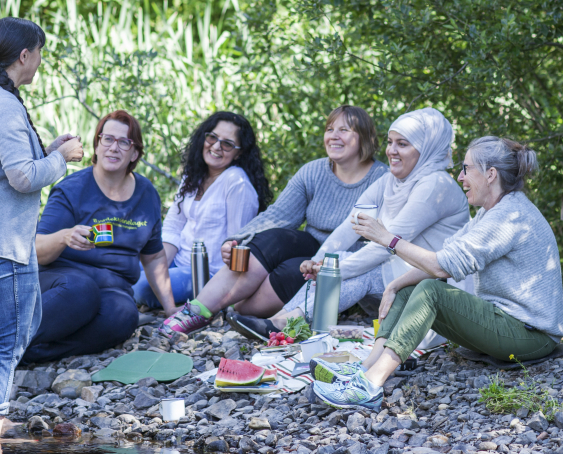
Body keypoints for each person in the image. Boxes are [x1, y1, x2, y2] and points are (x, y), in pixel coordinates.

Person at [311, 136, 563, 410]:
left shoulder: (509, 216)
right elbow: (444, 255)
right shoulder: (490, 213)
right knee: (411, 289)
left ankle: (371, 385)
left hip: (531, 336)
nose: (460, 176)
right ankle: (365, 368)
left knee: (432, 291)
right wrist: (395, 285)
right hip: (505, 325)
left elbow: (441, 268)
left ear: (490, 174)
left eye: (467, 169)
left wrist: (388, 239)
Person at [227, 108, 471, 341]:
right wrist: (320, 262)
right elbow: (349, 226)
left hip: (436, 286)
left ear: (426, 150)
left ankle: (286, 323)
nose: (391, 151)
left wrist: (333, 270)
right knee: (338, 259)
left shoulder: (436, 185)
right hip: (400, 277)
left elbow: (386, 245)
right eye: (390, 142)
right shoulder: (391, 182)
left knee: (360, 268)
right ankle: (281, 320)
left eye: (403, 144)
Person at [0, 17, 84, 442]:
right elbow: (22, 178)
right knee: (6, 341)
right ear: (24, 55)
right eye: (39, 53)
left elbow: (9, 164)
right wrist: (62, 160)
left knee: (28, 322)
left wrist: (47, 150)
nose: (41, 61)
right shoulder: (5, 105)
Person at [160, 105, 388, 336]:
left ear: (365, 138)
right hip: (312, 247)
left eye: (344, 130)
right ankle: (195, 311)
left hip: (345, 263)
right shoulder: (313, 171)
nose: (334, 136)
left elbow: (384, 241)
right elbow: (278, 215)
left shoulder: (382, 179)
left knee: (289, 272)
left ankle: (240, 311)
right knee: (273, 238)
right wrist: (236, 239)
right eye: (330, 129)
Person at [21, 110, 175, 363]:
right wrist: (64, 237)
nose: (114, 148)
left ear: (134, 153)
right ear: (97, 144)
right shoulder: (72, 189)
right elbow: (35, 249)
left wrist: (170, 309)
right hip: (62, 283)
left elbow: (154, 256)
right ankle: (2, 343)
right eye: (108, 139)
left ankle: (33, 353)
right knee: (82, 290)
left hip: (113, 291)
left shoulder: (147, 194)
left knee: (125, 315)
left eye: (124, 142)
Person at [131, 112, 272, 309]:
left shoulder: (237, 182)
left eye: (227, 144)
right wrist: (159, 266)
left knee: (142, 287)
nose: (216, 147)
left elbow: (237, 245)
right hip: (177, 261)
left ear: (239, 153)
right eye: (212, 137)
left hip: (207, 275)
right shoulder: (194, 175)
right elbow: (173, 227)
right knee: (124, 265)